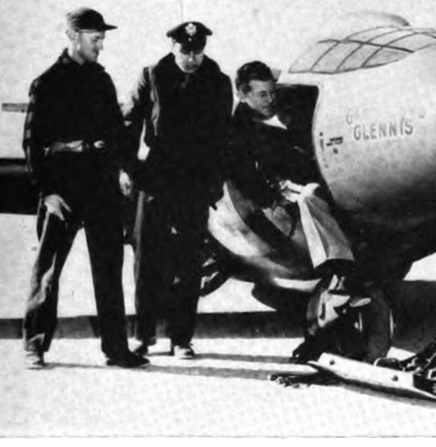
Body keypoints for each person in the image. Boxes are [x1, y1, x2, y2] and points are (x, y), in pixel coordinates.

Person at [21, 7, 148, 370]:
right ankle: (34, 345)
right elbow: (32, 144)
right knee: (48, 271)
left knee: (108, 269)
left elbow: (117, 134)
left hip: (100, 187)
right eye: (96, 39)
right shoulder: (46, 83)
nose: (101, 45)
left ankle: (116, 349)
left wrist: (125, 168)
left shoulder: (101, 81)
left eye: (102, 38)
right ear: (74, 37)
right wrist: (47, 192)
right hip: (63, 188)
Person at [226, 61, 370, 357]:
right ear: (243, 95)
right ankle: (340, 276)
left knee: (313, 197)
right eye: (262, 95)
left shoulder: (294, 107)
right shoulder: (238, 131)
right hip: (284, 194)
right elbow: (245, 176)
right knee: (310, 197)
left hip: (329, 179)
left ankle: (337, 293)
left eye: (271, 92)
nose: (270, 100)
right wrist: (274, 198)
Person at [123, 21, 233, 359]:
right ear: (173, 47)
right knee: (147, 258)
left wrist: (214, 185)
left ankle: (181, 338)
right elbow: (131, 122)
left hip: (195, 181)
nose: (192, 58)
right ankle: (143, 336)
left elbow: (222, 137)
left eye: (197, 51)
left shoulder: (218, 80)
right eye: (185, 51)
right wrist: (127, 168)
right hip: (156, 177)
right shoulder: (153, 75)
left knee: (189, 260)